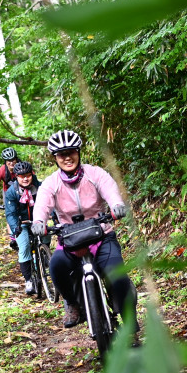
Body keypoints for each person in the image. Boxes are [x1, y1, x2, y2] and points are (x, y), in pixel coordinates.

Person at [31, 129, 137, 333]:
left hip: (101, 234)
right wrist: (39, 221)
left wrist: (116, 204)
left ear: (79, 153)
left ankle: (130, 330)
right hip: (69, 239)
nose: (67, 157)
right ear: (55, 158)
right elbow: (42, 204)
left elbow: (109, 188)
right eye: (62, 154)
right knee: (56, 266)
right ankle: (72, 304)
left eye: (71, 152)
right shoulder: (51, 183)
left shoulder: (94, 173)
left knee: (118, 277)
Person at [3, 161, 41, 294]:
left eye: (28, 175)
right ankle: (29, 280)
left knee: (46, 235)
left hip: (38, 219)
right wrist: (15, 228)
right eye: (21, 176)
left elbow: (49, 203)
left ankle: (44, 256)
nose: (25, 178)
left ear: (32, 174)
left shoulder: (40, 187)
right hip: (21, 223)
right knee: (24, 247)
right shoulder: (12, 192)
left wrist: (53, 217)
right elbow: (11, 213)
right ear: (16, 177)